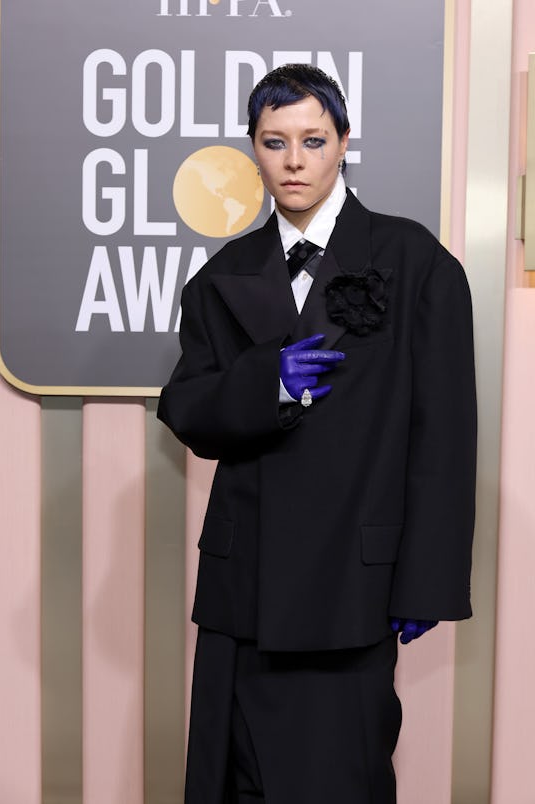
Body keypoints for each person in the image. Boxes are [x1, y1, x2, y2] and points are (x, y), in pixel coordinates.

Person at [158, 64, 477, 804]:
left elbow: (446, 436)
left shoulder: (415, 262)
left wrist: (424, 576)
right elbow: (187, 408)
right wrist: (266, 382)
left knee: (339, 779)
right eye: (275, 142)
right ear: (254, 149)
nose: (293, 160)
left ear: (342, 145)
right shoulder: (221, 276)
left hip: (352, 589)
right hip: (247, 588)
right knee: (237, 780)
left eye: (312, 139)